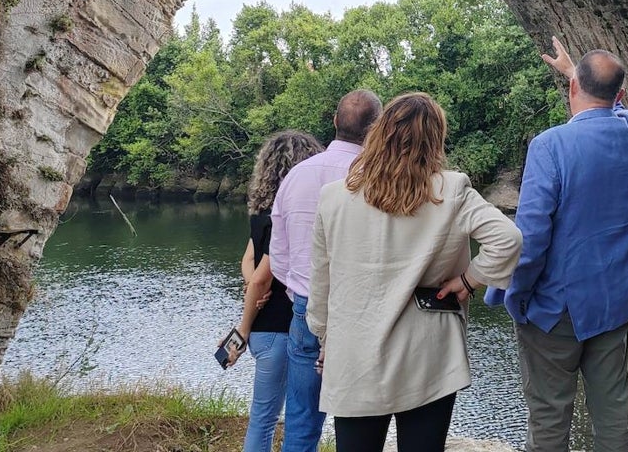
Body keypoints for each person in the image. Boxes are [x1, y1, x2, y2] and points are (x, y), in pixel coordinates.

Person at [307, 92, 522, 452]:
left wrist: (325, 339)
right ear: (435, 139)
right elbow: (509, 239)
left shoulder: (333, 196)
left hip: (355, 355)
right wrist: (469, 281)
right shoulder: (452, 189)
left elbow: (321, 282)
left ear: (380, 133)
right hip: (429, 353)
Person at [491, 36, 628, 452]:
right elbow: (614, 104)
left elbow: (530, 235)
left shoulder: (550, 145)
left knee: (549, 416)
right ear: (620, 95)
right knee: (613, 412)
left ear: (572, 90)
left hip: (555, 304)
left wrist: (517, 294)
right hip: (616, 296)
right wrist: (575, 74)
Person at [270, 89, 382, 451]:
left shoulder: (296, 176)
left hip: (305, 307)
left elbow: (279, 254)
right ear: (377, 128)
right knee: (365, 424)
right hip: (364, 313)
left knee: (302, 424)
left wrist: (299, 295)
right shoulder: (381, 179)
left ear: (334, 122)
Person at [222, 130, 325, 452]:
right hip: (291, 327)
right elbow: (260, 280)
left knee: (263, 417)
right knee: (299, 416)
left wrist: (247, 319)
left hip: (266, 331)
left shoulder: (261, 217)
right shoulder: (305, 215)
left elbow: (250, 263)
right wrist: (243, 325)